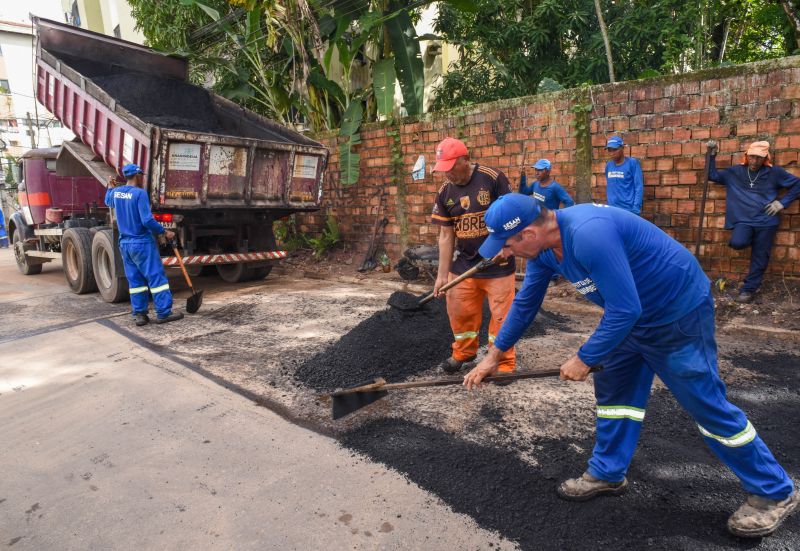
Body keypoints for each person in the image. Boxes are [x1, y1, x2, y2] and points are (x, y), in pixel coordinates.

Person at [463, 193, 797, 538]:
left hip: (676, 315)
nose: (504, 253)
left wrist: (584, 358)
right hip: (631, 317)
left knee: (706, 405)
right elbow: (526, 303)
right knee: (616, 397)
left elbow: (625, 310)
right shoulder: (545, 251)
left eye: (505, 245)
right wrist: (493, 355)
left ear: (528, 234)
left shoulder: (589, 235)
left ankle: (774, 492)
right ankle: (608, 472)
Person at [431, 137, 516, 375]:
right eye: (443, 169)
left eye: (450, 168)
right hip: (464, 265)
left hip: (498, 266)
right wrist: (441, 276)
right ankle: (464, 353)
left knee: (502, 319)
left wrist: (507, 246)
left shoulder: (492, 178)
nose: (447, 174)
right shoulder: (445, 192)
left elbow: (513, 216)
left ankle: (503, 362)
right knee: (460, 314)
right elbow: (446, 236)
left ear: (464, 160)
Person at [707, 140, 800, 303]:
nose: (754, 161)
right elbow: (712, 175)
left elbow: (798, 184)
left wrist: (782, 203)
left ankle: (748, 289)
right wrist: (711, 155)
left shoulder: (774, 173)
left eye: (759, 158)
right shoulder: (735, 172)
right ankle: (752, 241)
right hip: (744, 221)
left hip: (767, 222)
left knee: (760, 256)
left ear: (765, 158)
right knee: (738, 242)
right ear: (746, 156)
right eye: (752, 157)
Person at [105, 164, 183, 326]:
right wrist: (164, 232)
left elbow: (108, 201)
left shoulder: (116, 193)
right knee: (156, 277)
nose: (143, 177)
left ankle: (140, 315)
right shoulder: (139, 194)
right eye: (142, 175)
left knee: (135, 280)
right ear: (137, 175)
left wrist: (110, 187)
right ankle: (163, 313)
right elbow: (147, 220)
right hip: (141, 242)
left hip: (125, 244)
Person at [604, 136, 643, 215]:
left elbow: (639, 187)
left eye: (615, 150)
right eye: (609, 150)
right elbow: (610, 187)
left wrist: (636, 210)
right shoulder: (609, 165)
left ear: (622, 148)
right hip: (612, 210)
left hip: (628, 211)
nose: (612, 153)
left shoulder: (632, 163)